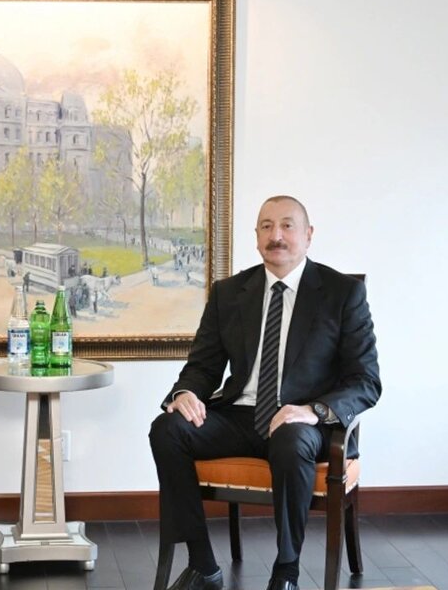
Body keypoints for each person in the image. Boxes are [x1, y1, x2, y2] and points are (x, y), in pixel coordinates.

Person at [149, 196, 380, 590]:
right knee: (167, 429)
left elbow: (366, 380)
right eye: (267, 226)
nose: (277, 236)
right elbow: (204, 366)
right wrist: (185, 393)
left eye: (288, 225)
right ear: (256, 236)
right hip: (241, 416)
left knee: (290, 439)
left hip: (304, 422)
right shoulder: (229, 292)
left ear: (308, 235)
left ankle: (286, 571)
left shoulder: (342, 293)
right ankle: (203, 566)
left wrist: (314, 411)